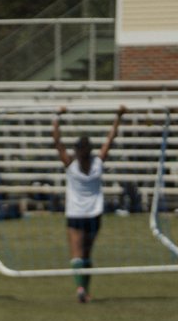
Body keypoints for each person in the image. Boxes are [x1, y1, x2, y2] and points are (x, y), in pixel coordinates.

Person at [52, 105, 126, 303]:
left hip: (75, 214)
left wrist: (57, 116)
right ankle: (86, 289)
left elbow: (57, 141)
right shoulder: (98, 164)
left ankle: (79, 288)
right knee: (87, 253)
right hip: (94, 213)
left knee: (76, 253)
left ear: (77, 151)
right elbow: (111, 139)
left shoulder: (70, 165)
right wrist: (118, 116)